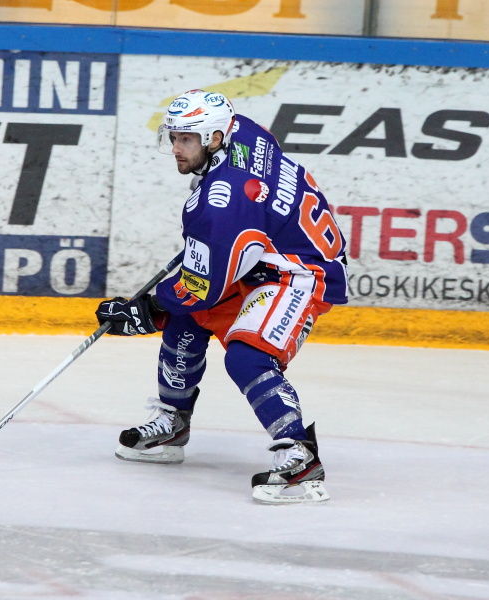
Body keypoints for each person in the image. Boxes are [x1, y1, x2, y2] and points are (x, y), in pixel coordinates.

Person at [96, 89, 348, 504]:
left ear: (214, 138)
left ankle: (301, 461)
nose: (176, 148)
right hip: (264, 253)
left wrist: (148, 311)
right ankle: (173, 422)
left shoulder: (222, 201)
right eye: (174, 137)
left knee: (247, 356)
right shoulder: (244, 130)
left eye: (186, 140)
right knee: (187, 318)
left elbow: (201, 286)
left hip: (301, 271)